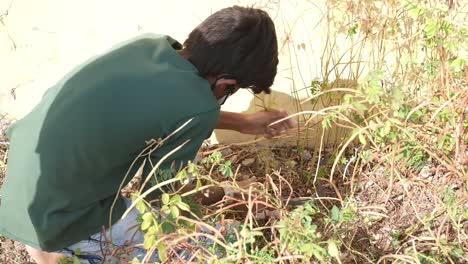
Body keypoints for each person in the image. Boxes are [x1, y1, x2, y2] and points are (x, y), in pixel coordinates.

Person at [0, 6, 294, 264]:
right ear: (226, 82)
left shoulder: (150, 45)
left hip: (21, 193)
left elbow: (165, 110)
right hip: (58, 223)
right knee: (225, 241)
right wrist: (224, 198)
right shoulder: (198, 108)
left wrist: (242, 123)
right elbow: (159, 198)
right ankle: (68, 252)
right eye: (233, 91)